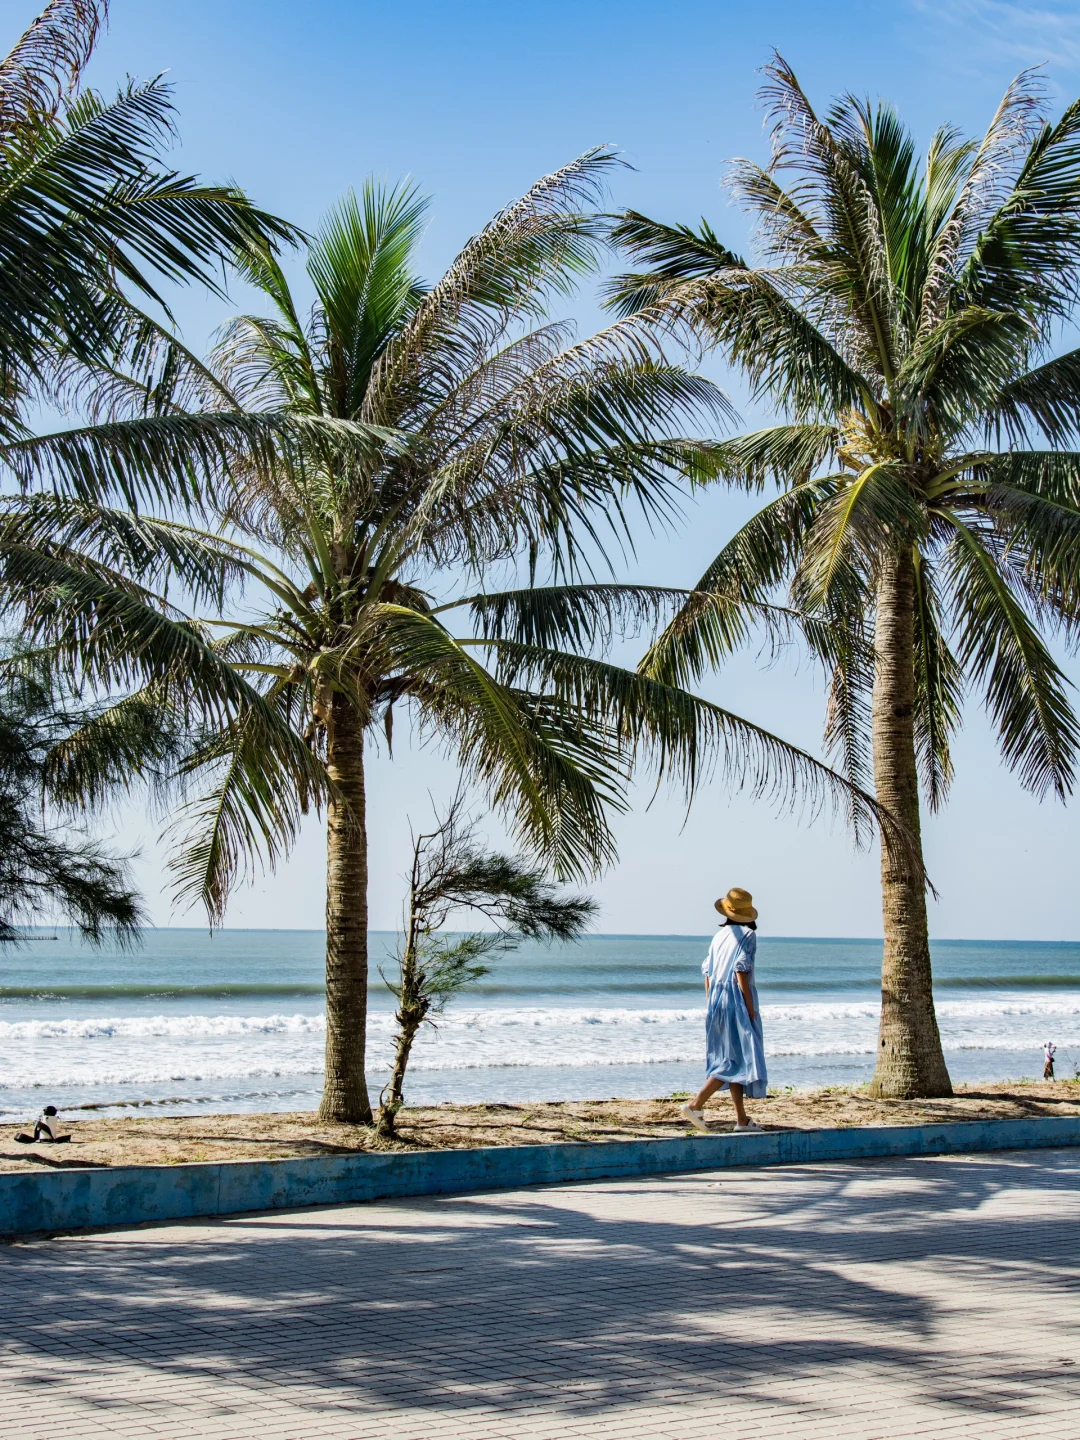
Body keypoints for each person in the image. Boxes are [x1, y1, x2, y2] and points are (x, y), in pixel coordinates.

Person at [681, 887, 767, 1134]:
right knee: (733, 1061)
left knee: (732, 1059)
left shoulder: (718, 937)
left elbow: (707, 972)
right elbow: (741, 971)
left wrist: (711, 1002)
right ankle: (696, 1104)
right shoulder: (747, 936)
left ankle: (741, 1120)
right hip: (735, 1000)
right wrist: (750, 1009)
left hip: (716, 1001)